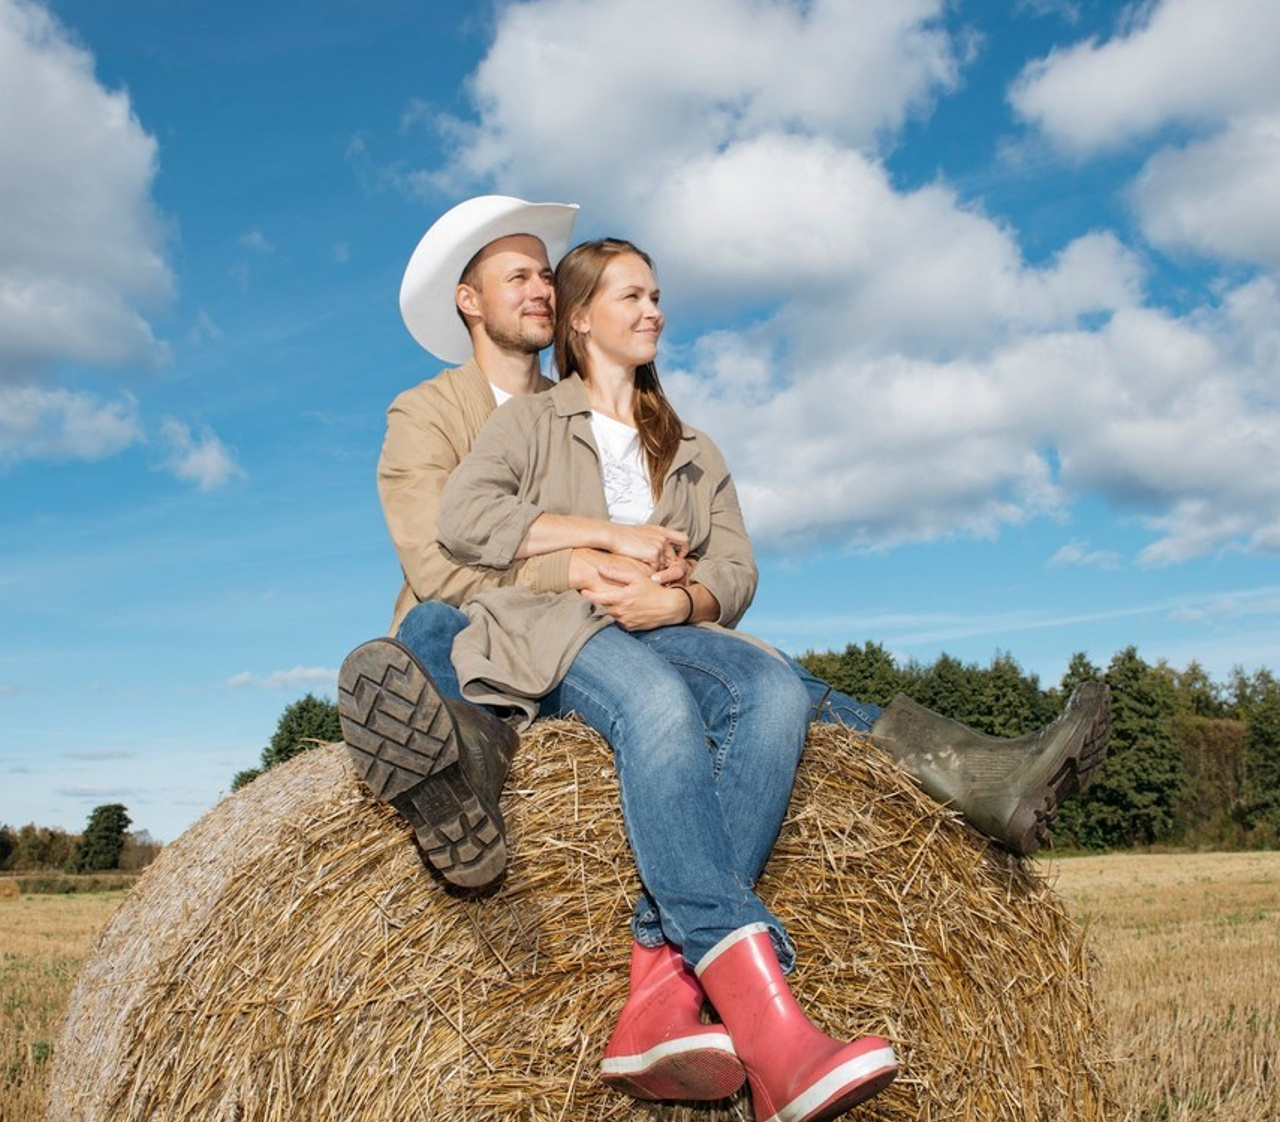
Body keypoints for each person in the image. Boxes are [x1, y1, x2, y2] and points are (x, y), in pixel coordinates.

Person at [339, 195, 1109, 894]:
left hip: (599, 631)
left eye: (547, 275)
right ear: (468, 302)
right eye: (518, 278)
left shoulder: (603, 412)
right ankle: (469, 763)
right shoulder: (426, 414)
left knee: (771, 683)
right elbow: (440, 565)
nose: (541, 288)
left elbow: (705, 551)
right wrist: (586, 560)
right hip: (476, 631)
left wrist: (674, 577)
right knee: (427, 631)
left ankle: (973, 774)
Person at [432, 236, 898, 1122]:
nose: (653, 312)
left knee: (772, 689)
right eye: (632, 297)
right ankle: (772, 1033)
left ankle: (658, 982)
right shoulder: (529, 422)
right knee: (658, 709)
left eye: (656, 297)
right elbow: (464, 517)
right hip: (558, 631)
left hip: (672, 629)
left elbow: (738, 566)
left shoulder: (691, 446)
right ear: (579, 319)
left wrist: (676, 596)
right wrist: (606, 540)